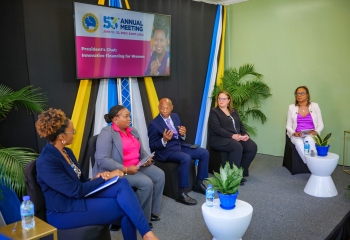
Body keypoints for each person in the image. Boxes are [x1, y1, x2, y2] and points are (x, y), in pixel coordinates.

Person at [35, 108, 158, 240]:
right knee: (126, 208)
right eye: (72, 131)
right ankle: (147, 234)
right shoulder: (46, 162)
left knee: (122, 182)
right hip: (64, 211)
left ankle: (146, 234)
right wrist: (106, 177)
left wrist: (95, 178)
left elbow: (80, 181)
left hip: (78, 198)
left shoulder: (67, 152)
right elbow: (75, 191)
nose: (74, 134)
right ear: (61, 137)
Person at [93, 105, 165, 227]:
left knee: (160, 175)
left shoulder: (132, 131)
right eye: (126, 116)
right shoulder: (107, 133)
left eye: (129, 116)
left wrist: (147, 160)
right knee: (146, 183)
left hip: (136, 165)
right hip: (118, 170)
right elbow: (102, 159)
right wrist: (125, 169)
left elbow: (141, 151)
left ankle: (152, 211)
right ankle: (139, 218)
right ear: (115, 119)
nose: (129, 119)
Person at [148, 98, 209, 205]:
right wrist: (164, 140)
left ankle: (199, 183)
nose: (165, 110)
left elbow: (181, 136)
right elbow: (152, 146)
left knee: (204, 153)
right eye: (162, 108)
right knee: (186, 158)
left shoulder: (175, 116)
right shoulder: (154, 124)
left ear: (172, 108)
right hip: (166, 151)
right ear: (158, 108)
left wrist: (183, 133)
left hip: (179, 146)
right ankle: (181, 193)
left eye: (167, 108)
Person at [208, 91, 257, 183]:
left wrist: (245, 134)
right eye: (219, 99)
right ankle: (233, 176)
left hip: (235, 137)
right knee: (237, 146)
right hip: (219, 139)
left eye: (223, 99)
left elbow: (240, 125)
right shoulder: (214, 112)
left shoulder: (233, 111)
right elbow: (216, 129)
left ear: (228, 101)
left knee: (252, 146)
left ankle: (240, 173)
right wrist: (232, 136)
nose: (221, 101)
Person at [286, 86, 324, 162]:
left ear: (307, 95)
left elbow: (321, 124)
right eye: (297, 94)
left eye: (302, 93)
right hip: (297, 134)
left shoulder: (315, 106)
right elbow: (288, 125)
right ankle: (311, 163)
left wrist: (315, 132)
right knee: (299, 143)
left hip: (312, 134)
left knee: (308, 139)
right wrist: (293, 133)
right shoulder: (291, 107)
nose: (299, 95)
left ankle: (311, 162)